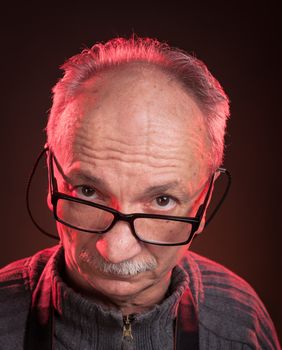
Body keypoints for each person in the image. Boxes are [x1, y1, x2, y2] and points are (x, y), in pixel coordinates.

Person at [0, 37, 280, 350]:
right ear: (53, 179)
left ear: (203, 202)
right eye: (89, 191)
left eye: (162, 200)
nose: (116, 251)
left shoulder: (241, 324)